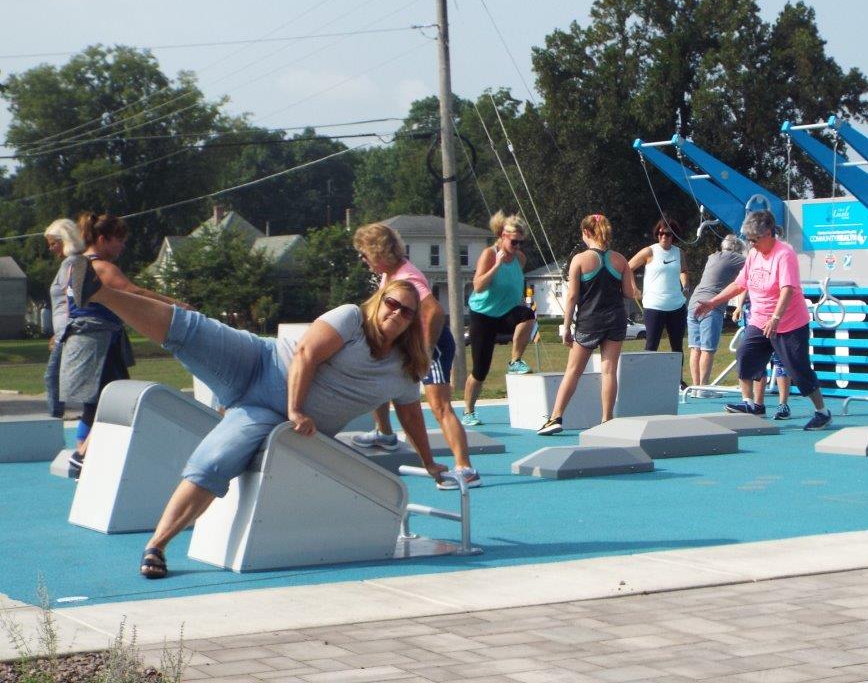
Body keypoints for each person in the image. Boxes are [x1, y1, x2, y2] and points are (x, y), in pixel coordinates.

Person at [66, 261, 447, 579]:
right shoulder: (350, 318)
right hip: (258, 362)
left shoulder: (405, 368)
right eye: (392, 304)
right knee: (192, 330)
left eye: (407, 312)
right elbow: (306, 354)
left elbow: (411, 414)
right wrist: (297, 408)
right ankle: (99, 292)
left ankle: (156, 547)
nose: (397, 314)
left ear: (413, 322)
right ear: (378, 301)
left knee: (213, 463)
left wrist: (428, 461)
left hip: (269, 415)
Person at [351, 223, 480, 489]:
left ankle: (466, 468)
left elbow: (435, 312)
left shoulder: (407, 277)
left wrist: (426, 349)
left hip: (433, 344)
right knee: (377, 371)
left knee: (440, 406)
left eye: (365, 254)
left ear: (378, 252)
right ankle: (385, 433)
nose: (363, 260)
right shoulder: (390, 274)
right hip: (410, 342)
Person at [61, 213, 188, 479]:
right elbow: (134, 292)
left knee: (94, 404)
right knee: (114, 402)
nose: (122, 246)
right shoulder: (101, 267)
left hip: (82, 343)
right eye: (118, 240)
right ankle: (82, 456)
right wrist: (175, 305)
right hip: (99, 346)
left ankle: (81, 453)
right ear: (102, 239)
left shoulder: (74, 266)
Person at [693, 210, 832, 431]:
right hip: (760, 320)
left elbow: (787, 289)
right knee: (745, 354)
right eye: (749, 239)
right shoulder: (754, 254)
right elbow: (740, 284)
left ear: (768, 234)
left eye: (754, 239)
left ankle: (822, 412)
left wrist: (776, 318)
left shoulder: (784, 254)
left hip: (789, 323)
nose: (751, 244)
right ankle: (751, 404)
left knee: (798, 369)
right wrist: (713, 302)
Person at [537, 214, 638, 435]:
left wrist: (566, 327)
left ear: (586, 232)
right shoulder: (620, 260)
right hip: (616, 319)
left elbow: (572, 296)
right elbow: (629, 293)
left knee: (573, 371)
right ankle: (607, 419)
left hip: (589, 320)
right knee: (609, 371)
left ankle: (556, 417)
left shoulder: (580, 259)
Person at [461, 212, 537, 426]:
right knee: (480, 371)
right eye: (514, 242)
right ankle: (468, 412)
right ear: (503, 236)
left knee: (527, 315)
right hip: (483, 316)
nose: (517, 246)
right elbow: (478, 286)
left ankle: (515, 361)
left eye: (521, 242)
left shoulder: (520, 259)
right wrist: (497, 265)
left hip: (505, 313)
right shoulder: (489, 254)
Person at [687, 235, 746, 398]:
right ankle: (704, 389)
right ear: (736, 249)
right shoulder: (734, 257)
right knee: (708, 349)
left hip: (694, 302)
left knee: (695, 348)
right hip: (711, 305)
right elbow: (754, 266)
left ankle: (695, 388)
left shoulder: (712, 256)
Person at [630, 219, 688, 370]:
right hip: (654, 306)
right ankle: (647, 377)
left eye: (668, 234)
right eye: (661, 233)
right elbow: (628, 267)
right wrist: (634, 288)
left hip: (677, 306)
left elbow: (683, 271)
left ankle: (677, 379)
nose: (664, 236)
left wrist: (685, 285)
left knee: (677, 347)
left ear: (673, 235)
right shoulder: (649, 251)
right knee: (651, 345)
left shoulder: (679, 252)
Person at [43, 218, 84, 420]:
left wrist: (64, 331)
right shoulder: (67, 264)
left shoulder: (73, 263)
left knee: (52, 376)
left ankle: (55, 418)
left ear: (65, 240)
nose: (50, 249)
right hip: (63, 332)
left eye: (53, 243)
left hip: (69, 331)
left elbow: (74, 300)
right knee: (62, 376)